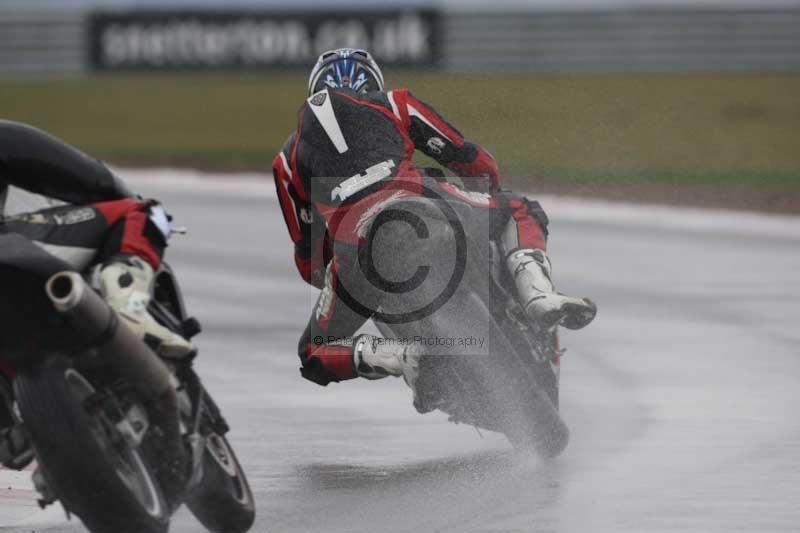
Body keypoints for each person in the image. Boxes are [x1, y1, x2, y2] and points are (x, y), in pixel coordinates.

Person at [273, 48, 596, 389]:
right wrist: (488, 188)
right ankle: (537, 294)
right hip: (419, 201)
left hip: (354, 249)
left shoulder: (287, 160)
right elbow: (470, 159)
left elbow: (307, 258)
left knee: (314, 352)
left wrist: (341, 281)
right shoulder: (395, 103)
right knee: (519, 209)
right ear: (373, 84)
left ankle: (397, 356)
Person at [0, 121, 193, 467]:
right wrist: (114, 191)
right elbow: (89, 179)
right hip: (11, 253)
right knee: (143, 212)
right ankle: (128, 305)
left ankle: (8, 428)